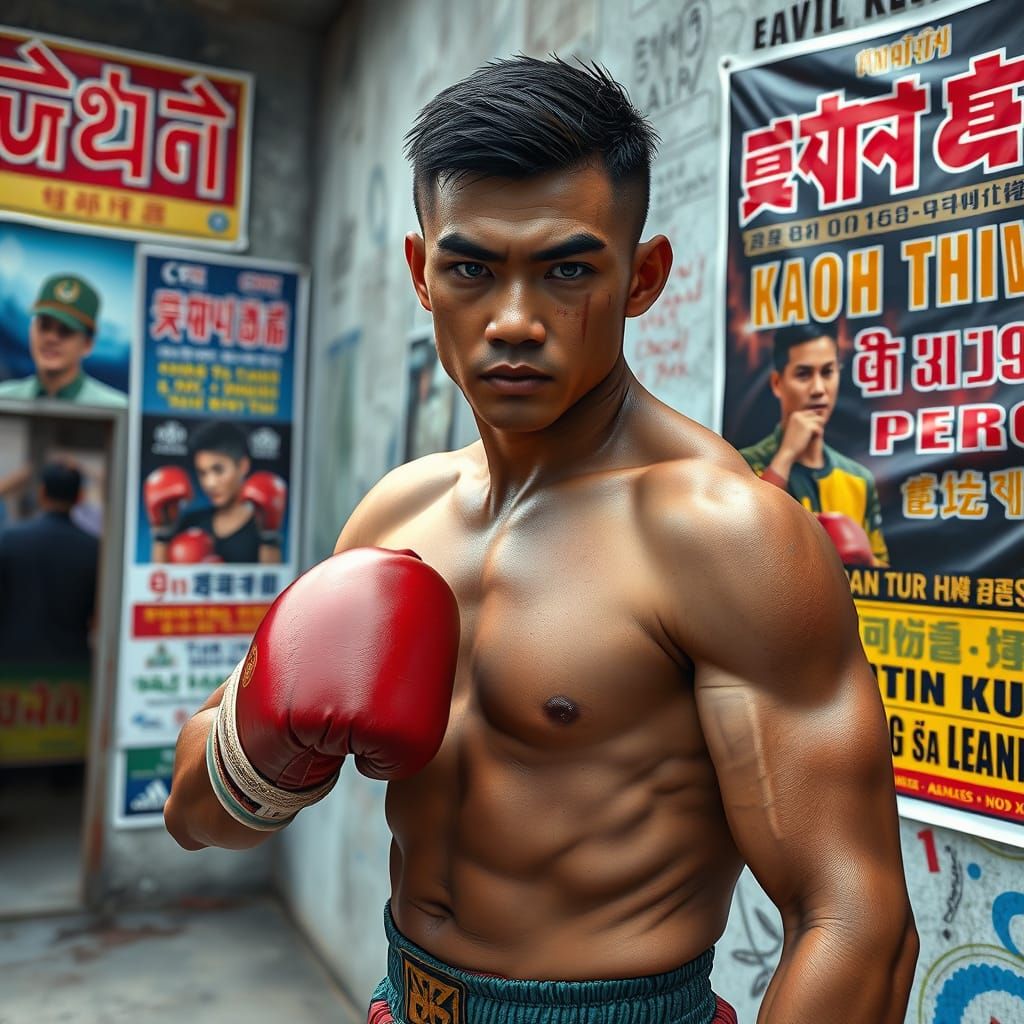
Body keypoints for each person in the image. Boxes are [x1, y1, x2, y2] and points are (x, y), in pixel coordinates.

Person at [164, 57, 917, 1024]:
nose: (514, 322)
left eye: (567, 270)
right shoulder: (399, 514)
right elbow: (197, 819)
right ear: (421, 273)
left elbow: (857, 921)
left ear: (642, 277)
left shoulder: (721, 534)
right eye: (471, 269)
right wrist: (269, 748)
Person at [739, 323, 889, 566]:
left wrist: (866, 561)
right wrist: (786, 455)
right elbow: (741, 547)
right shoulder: (743, 464)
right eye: (803, 374)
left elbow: (884, 574)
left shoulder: (859, 479)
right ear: (777, 383)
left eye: (828, 372)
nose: (819, 389)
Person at [145, 421, 284, 565]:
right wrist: (162, 534)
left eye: (218, 470)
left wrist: (269, 536)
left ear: (243, 466)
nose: (209, 483)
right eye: (202, 473)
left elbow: (274, 576)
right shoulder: (191, 522)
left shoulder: (259, 525)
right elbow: (160, 575)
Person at [0, 462, 98, 663]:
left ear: (41, 493)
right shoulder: (95, 548)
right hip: (72, 665)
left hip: (13, 661)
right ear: (80, 497)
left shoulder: (9, 540)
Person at [0, 274, 126, 407]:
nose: (51, 338)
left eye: (66, 330)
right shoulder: (4, 400)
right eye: (44, 326)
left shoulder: (117, 409)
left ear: (87, 344)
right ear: (31, 329)